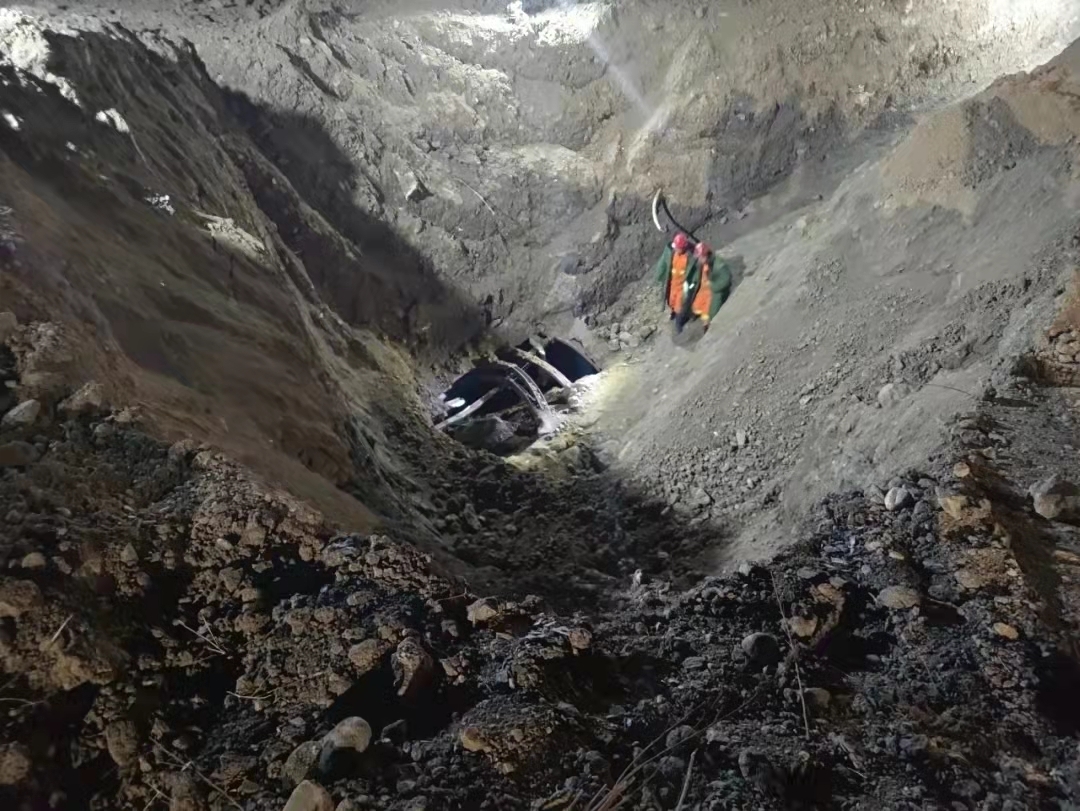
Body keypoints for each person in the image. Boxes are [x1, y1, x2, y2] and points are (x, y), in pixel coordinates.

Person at [682, 242, 732, 333]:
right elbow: (699, 275)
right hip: (703, 289)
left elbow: (725, 281)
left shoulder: (719, 266)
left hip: (714, 291)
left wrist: (712, 285)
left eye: (700, 257)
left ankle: (707, 324)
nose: (698, 260)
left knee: (710, 310)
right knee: (696, 304)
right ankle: (697, 314)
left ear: (705, 256)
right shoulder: (703, 264)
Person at [653, 232, 698, 332]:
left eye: (678, 248)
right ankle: (674, 313)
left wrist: (693, 284)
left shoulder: (690, 257)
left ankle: (679, 323)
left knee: (680, 305)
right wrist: (659, 275)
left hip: (683, 285)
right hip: (673, 283)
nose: (676, 249)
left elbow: (695, 272)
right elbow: (663, 262)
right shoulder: (670, 252)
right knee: (671, 300)